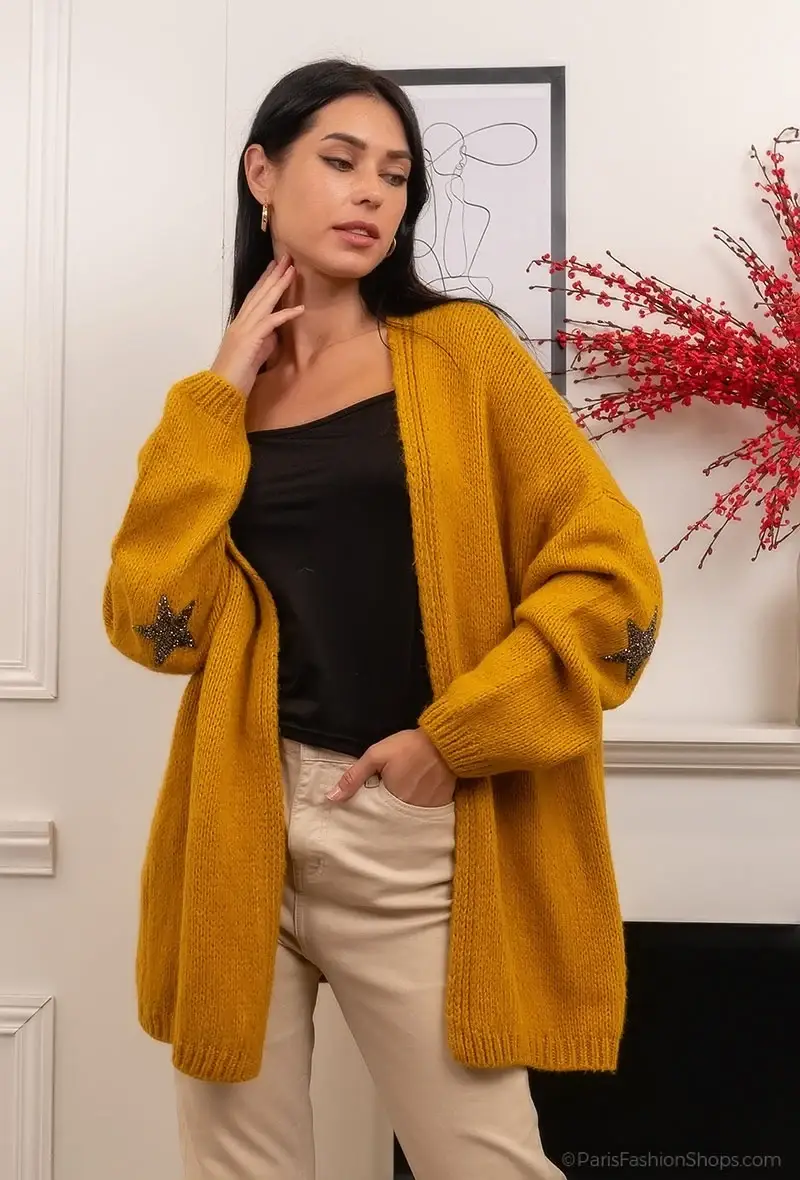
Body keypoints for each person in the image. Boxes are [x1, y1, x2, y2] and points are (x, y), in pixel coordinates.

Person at [103, 58, 662, 1180]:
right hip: (239, 821)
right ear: (262, 174)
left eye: (396, 175)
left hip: (402, 828)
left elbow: (613, 581)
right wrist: (218, 393)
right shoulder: (215, 405)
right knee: (239, 1169)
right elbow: (155, 624)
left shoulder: (464, 355)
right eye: (340, 160)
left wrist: (451, 741)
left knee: (483, 1163)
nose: (371, 192)